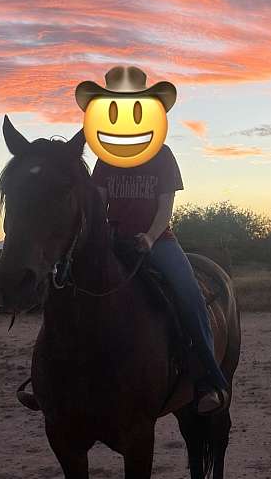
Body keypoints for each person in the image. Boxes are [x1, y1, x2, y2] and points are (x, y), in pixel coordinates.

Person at [92, 141, 230, 414]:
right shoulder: (107, 155)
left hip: (158, 241)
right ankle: (53, 382)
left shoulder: (162, 154)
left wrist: (150, 237)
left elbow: (166, 207)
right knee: (71, 286)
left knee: (190, 295)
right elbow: (98, 204)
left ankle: (208, 380)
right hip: (113, 242)